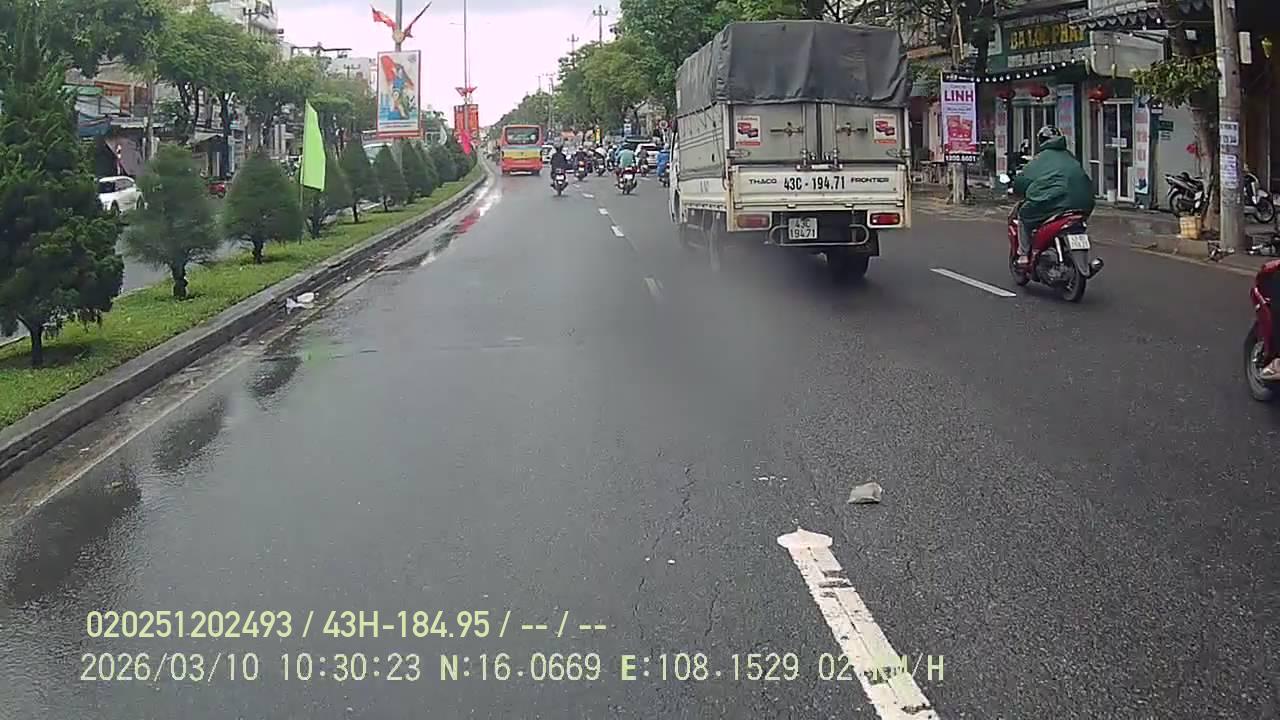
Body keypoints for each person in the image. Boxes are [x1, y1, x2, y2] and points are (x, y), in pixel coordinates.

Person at [1011, 126, 1096, 268]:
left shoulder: (1041, 158)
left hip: (1056, 203)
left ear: (1041, 141)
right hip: (1084, 203)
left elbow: (1023, 180)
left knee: (1024, 214)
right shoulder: (1070, 156)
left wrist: (1017, 189)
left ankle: (1024, 255)